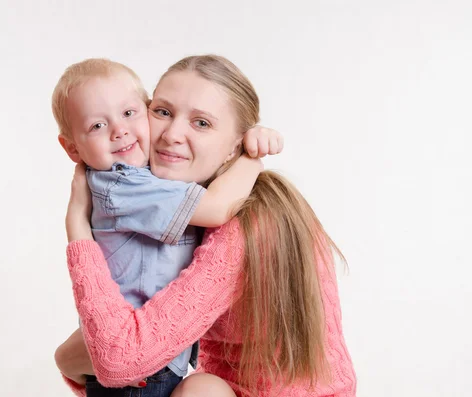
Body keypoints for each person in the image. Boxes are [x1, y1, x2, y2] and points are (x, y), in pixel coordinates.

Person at [58, 55, 356, 396]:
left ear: (235, 145)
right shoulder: (190, 202)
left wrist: (78, 229)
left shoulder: (245, 224)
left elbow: (120, 360)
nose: (171, 134)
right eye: (163, 112)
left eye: (201, 123)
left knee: (200, 390)